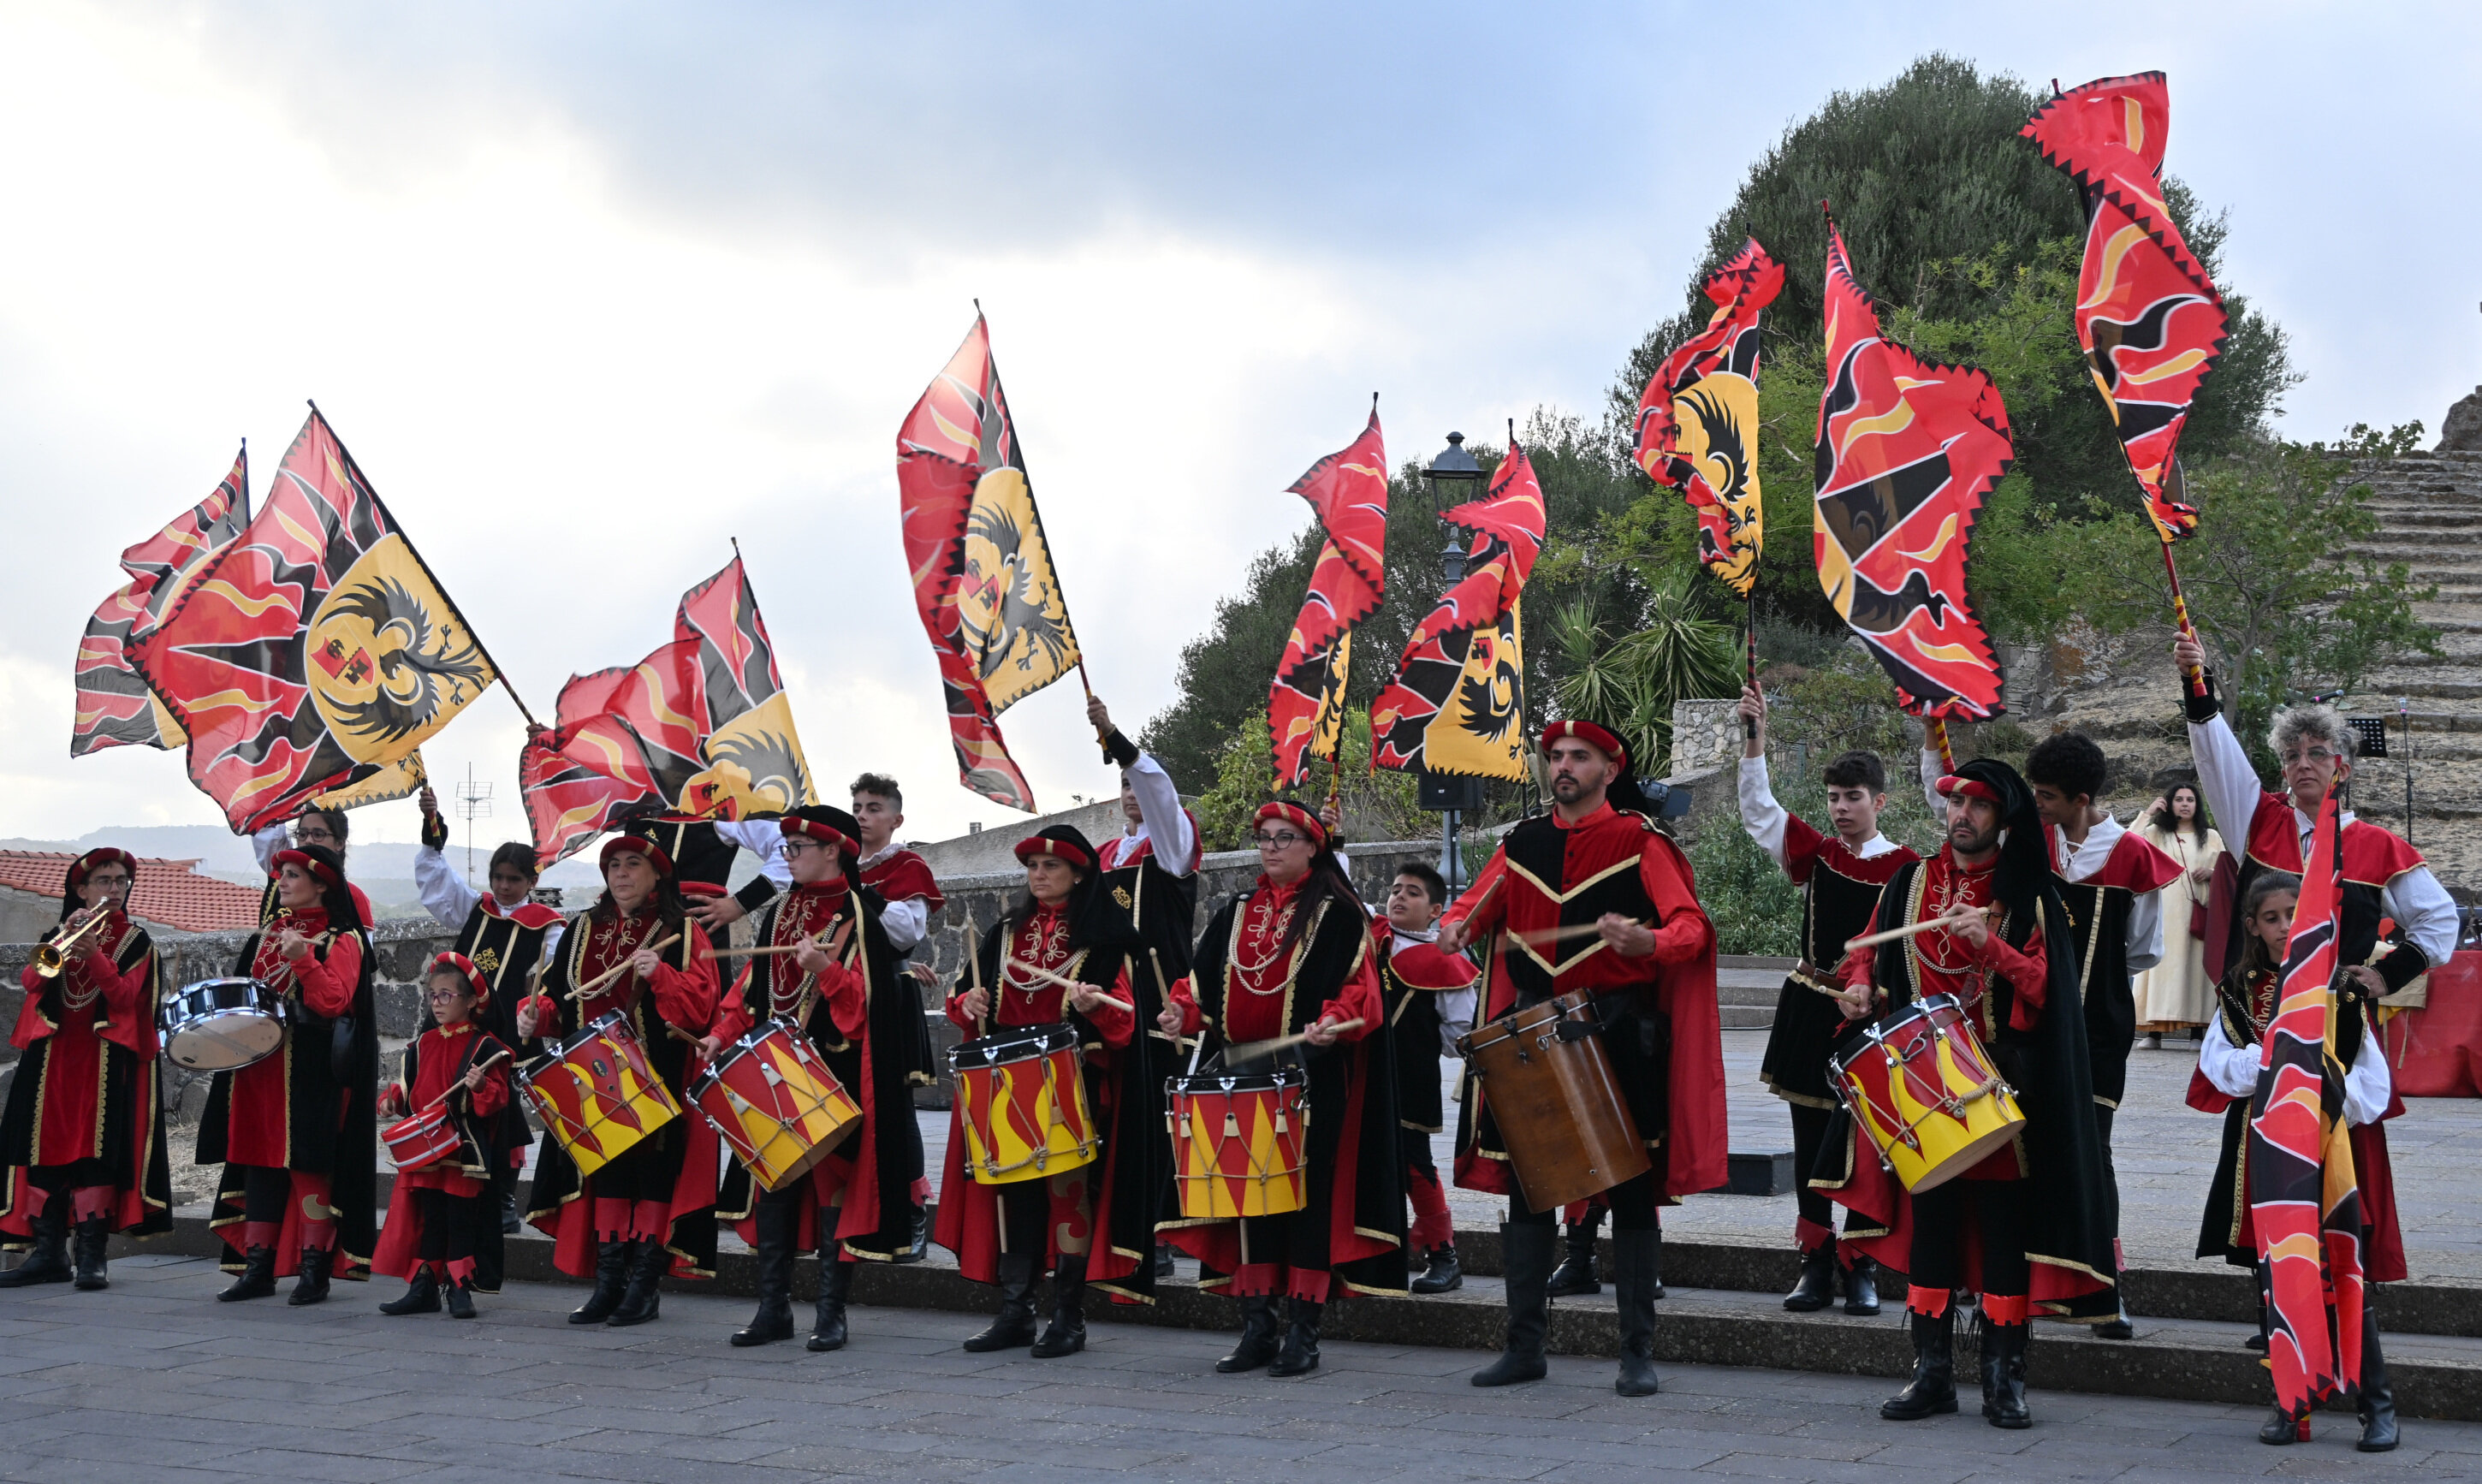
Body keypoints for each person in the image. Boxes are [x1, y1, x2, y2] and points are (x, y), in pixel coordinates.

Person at [1438, 721, 1726, 1398]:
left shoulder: (1640, 840)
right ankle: (1524, 1348)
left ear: (1608, 767)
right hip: (1534, 1027)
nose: (1563, 766)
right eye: (1556, 757)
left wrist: (1648, 942)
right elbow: (1473, 908)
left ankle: (1636, 1354)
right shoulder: (1521, 844)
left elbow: (1691, 926)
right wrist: (1454, 928)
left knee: (1629, 1190)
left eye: (1579, 757)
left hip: (1620, 1029)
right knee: (1530, 1190)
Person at [1825, 757, 2116, 1430]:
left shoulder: (2031, 897)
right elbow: (1864, 949)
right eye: (1956, 804)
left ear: (2005, 819)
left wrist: (1990, 947)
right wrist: (1860, 984)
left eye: (1979, 807)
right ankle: (1930, 1375)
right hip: (1921, 1086)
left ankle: (2003, 1380)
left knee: (2004, 1229)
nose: (1962, 816)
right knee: (1932, 1227)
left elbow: (2050, 993)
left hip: (2002, 1090)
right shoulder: (1910, 881)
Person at [1158, 801, 1400, 1378]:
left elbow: (1361, 994)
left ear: (1312, 847)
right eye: (1263, 838)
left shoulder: (1340, 916)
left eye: (1283, 838)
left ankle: (1304, 1334)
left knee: (1307, 1203)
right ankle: (1257, 1328)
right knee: (1247, 1199)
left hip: (1310, 1081)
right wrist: (1180, 1013)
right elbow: (1200, 985)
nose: (1270, 847)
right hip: (1239, 1078)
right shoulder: (1236, 910)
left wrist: (1332, 1020)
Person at [2185, 871, 2400, 1451]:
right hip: (2265, 1152)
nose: (2284, 928)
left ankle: (2376, 1406)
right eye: (2272, 918)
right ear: (2253, 926)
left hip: (2328, 1152)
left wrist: (2321, 1086)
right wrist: (2271, 1063)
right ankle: (2291, 1405)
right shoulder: (2239, 991)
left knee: (2343, 1278)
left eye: (2293, 917)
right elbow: (2218, 1064)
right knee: (2275, 1280)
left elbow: (2371, 1088)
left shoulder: (2343, 992)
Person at [708, 805, 929, 1351]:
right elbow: (752, 989)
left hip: (836, 1069)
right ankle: (772, 1309)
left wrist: (824, 970)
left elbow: (865, 1009)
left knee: (834, 1191)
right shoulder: (781, 912)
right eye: (786, 849)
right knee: (775, 1186)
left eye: (798, 849)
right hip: (776, 1070)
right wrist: (722, 1031)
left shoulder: (861, 915)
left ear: (833, 851)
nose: (789, 859)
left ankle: (831, 1313)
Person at [938, 824, 1161, 1356]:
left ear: (1079, 875)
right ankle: (1015, 1314)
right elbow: (964, 992)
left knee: (1068, 1200)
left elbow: (1126, 1023)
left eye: (1051, 867)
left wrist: (1094, 1006)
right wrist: (968, 1006)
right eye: (1033, 867)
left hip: (1072, 1086)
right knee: (1015, 1198)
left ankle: (1068, 1317)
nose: (1039, 876)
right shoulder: (1005, 933)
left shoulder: (1106, 939)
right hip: (1004, 1087)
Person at [1736, 685, 1913, 1318]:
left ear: (1880, 801)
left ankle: (1860, 1264)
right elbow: (1760, 810)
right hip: (1812, 1003)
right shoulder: (1820, 853)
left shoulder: (1909, 869)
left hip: (1874, 1014)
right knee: (1809, 1136)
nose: (1840, 809)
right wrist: (1755, 735)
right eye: (1834, 798)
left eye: (1853, 798)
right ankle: (1814, 1261)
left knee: (1868, 1141)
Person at [2170, 634, 2456, 1022]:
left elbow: (2439, 919)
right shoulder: (2257, 821)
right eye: (2292, 755)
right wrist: (2196, 680)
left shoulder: (2381, 848)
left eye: (2317, 753)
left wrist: (2387, 976)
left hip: (2337, 1020)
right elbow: (2217, 760)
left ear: (2343, 768)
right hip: (2257, 1016)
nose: (2303, 763)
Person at [516, 834, 721, 1327]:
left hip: (658, 1075)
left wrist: (662, 977)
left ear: (657, 875)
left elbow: (702, 1007)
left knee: (651, 1178)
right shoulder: (582, 928)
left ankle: (643, 1287)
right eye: (613, 866)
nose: (621, 874)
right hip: (594, 1082)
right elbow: (557, 1001)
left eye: (633, 864)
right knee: (607, 1177)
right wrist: (535, 1018)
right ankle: (609, 1285)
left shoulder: (682, 930)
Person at [2022, 730, 2179, 1341]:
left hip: (2097, 1029)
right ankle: (2026, 1285)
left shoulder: (2135, 857)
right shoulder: (2037, 844)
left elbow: (2144, 952)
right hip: (2030, 1025)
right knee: (2027, 1149)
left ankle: (2104, 1288)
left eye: (2048, 797)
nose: (2038, 806)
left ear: (2082, 798)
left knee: (2093, 1152)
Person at [197, 844, 380, 1306]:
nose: (283, 882)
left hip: (311, 1073)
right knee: (259, 1162)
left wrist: (303, 959)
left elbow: (336, 1002)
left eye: (294, 875)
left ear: (322, 885)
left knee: (309, 1165)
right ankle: (258, 1269)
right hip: (259, 1071)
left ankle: (314, 1270)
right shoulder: (266, 935)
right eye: (282, 875)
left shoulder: (343, 939)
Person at [0, 850, 174, 1289]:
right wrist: (64, 935)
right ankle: (48, 1255)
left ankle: (92, 1258)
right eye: (104, 882)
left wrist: (95, 954)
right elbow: (31, 982)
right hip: (53, 1057)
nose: (114, 890)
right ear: (81, 890)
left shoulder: (137, 942)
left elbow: (123, 998)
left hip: (104, 1059)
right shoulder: (60, 933)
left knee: (96, 1153)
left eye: (120, 882)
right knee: (43, 1152)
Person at [1089, 695, 1203, 1281]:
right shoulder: (1107, 856)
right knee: (1111, 1114)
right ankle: (1114, 1228)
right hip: (1108, 999)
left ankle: (1159, 1232)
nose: (1133, 793)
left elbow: (1160, 794)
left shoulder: (1175, 845)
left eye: (1140, 783)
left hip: (1160, 998)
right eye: (1124, 786)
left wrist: (1116, 737)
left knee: (1157, 1116)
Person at [415, 787, 562, 1234]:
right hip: (457, 1028)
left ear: (531, 882)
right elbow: (438, 883)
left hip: (506, 1036)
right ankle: (456, 1188)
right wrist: (431, 826)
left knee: (501, 1115)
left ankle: (501, 1200)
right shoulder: (476, 909)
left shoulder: (549, 929)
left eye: (514, 879)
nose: (502, 885)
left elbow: (553, 980)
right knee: (448, 1107)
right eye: (498, 876)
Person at [371, 953, 514, 1320]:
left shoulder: (486, 1048)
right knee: (431, 1218)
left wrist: (481, 1085)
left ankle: (460, 1287)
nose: (437, 1002)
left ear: (470, 1002)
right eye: (433, 995)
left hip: (463, 1150)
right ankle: (424, 1287)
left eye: (447, 995)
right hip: (426, 1151)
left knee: (461, 1218)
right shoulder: (422, 1045)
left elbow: (498, 1099)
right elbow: (409, 1093)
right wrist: (390, 1102)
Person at [849, 773, 943, 1261]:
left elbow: (906, 934)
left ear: (895, 818)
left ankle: (912, 1215)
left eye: (873, 808)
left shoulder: (906, 865)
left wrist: (862, 892)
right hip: (837, 995)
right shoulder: (834, 862)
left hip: (886, 993)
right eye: (858, 807)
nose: (862, 815)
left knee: (896, 1111)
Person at [1374, 862, 1476, 1295]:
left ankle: (1443, 1255)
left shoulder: (1445, 963)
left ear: (1436, 910)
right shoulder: (1372, 937)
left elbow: (1460, 1039)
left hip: (1409, 1077)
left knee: (1414, 1163)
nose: (1399, 896)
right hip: (1361, 1071)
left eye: (1412, 892)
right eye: (1396, 889)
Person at [2135, 782, 2225, 1044]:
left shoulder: (2211, 837)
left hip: (2197, 914)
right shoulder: (2155, 833)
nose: (2185, 804)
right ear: (2169, 803)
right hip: (2162, 912)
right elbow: (2126, 843)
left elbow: (2230, 872)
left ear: (2197, 805)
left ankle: (2197, 1031)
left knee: (2195, 970)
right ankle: (2154, 1032)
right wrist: (2148, 813)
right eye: (2179, 799)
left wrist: (2211, 874)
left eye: (2190, 800)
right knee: (2160, 967)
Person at [250, 808, 373, 928]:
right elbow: (267, 822)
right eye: (302, 834)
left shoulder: (353, 896)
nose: (308, 841)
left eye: (318, 835)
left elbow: (360, 946)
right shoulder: (281, 874)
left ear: (339, 844)